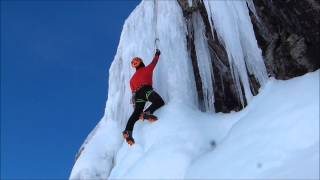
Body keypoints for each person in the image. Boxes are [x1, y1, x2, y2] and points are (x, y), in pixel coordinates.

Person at [123, 49, 165, 145]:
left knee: (136, 114)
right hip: (146, 90)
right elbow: (154, 62)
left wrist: (135, 105)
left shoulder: (131, 80)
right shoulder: (147, 69)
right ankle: (147, 113)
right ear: (141, 62)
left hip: (137, 95)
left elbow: (133, 92)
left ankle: (128, 132)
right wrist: (157, 54)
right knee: (159, 101)